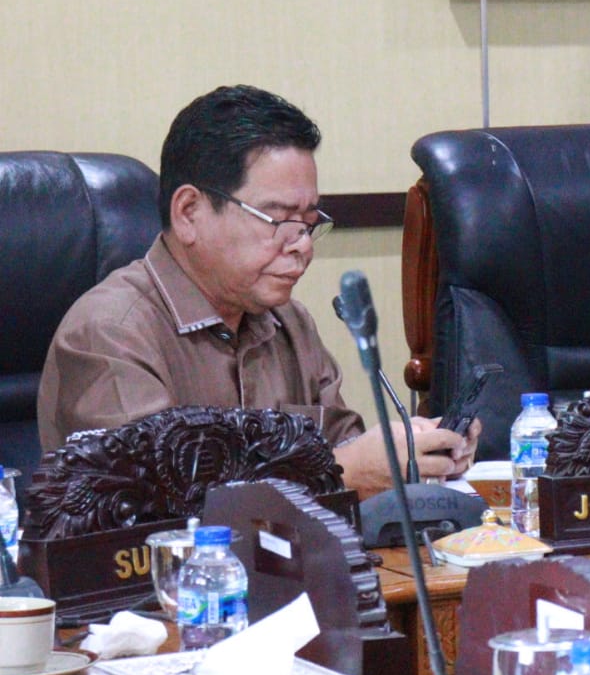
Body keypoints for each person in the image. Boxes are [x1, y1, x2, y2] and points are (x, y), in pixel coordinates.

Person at [36, 85, 479, 497]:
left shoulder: (289, 322)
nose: (302, 245)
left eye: (309, 222)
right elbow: (159, 504)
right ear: (189, 212)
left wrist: (412, 450)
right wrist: (343, 472)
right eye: (279, 219)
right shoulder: (110, 333)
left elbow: (345, 445)